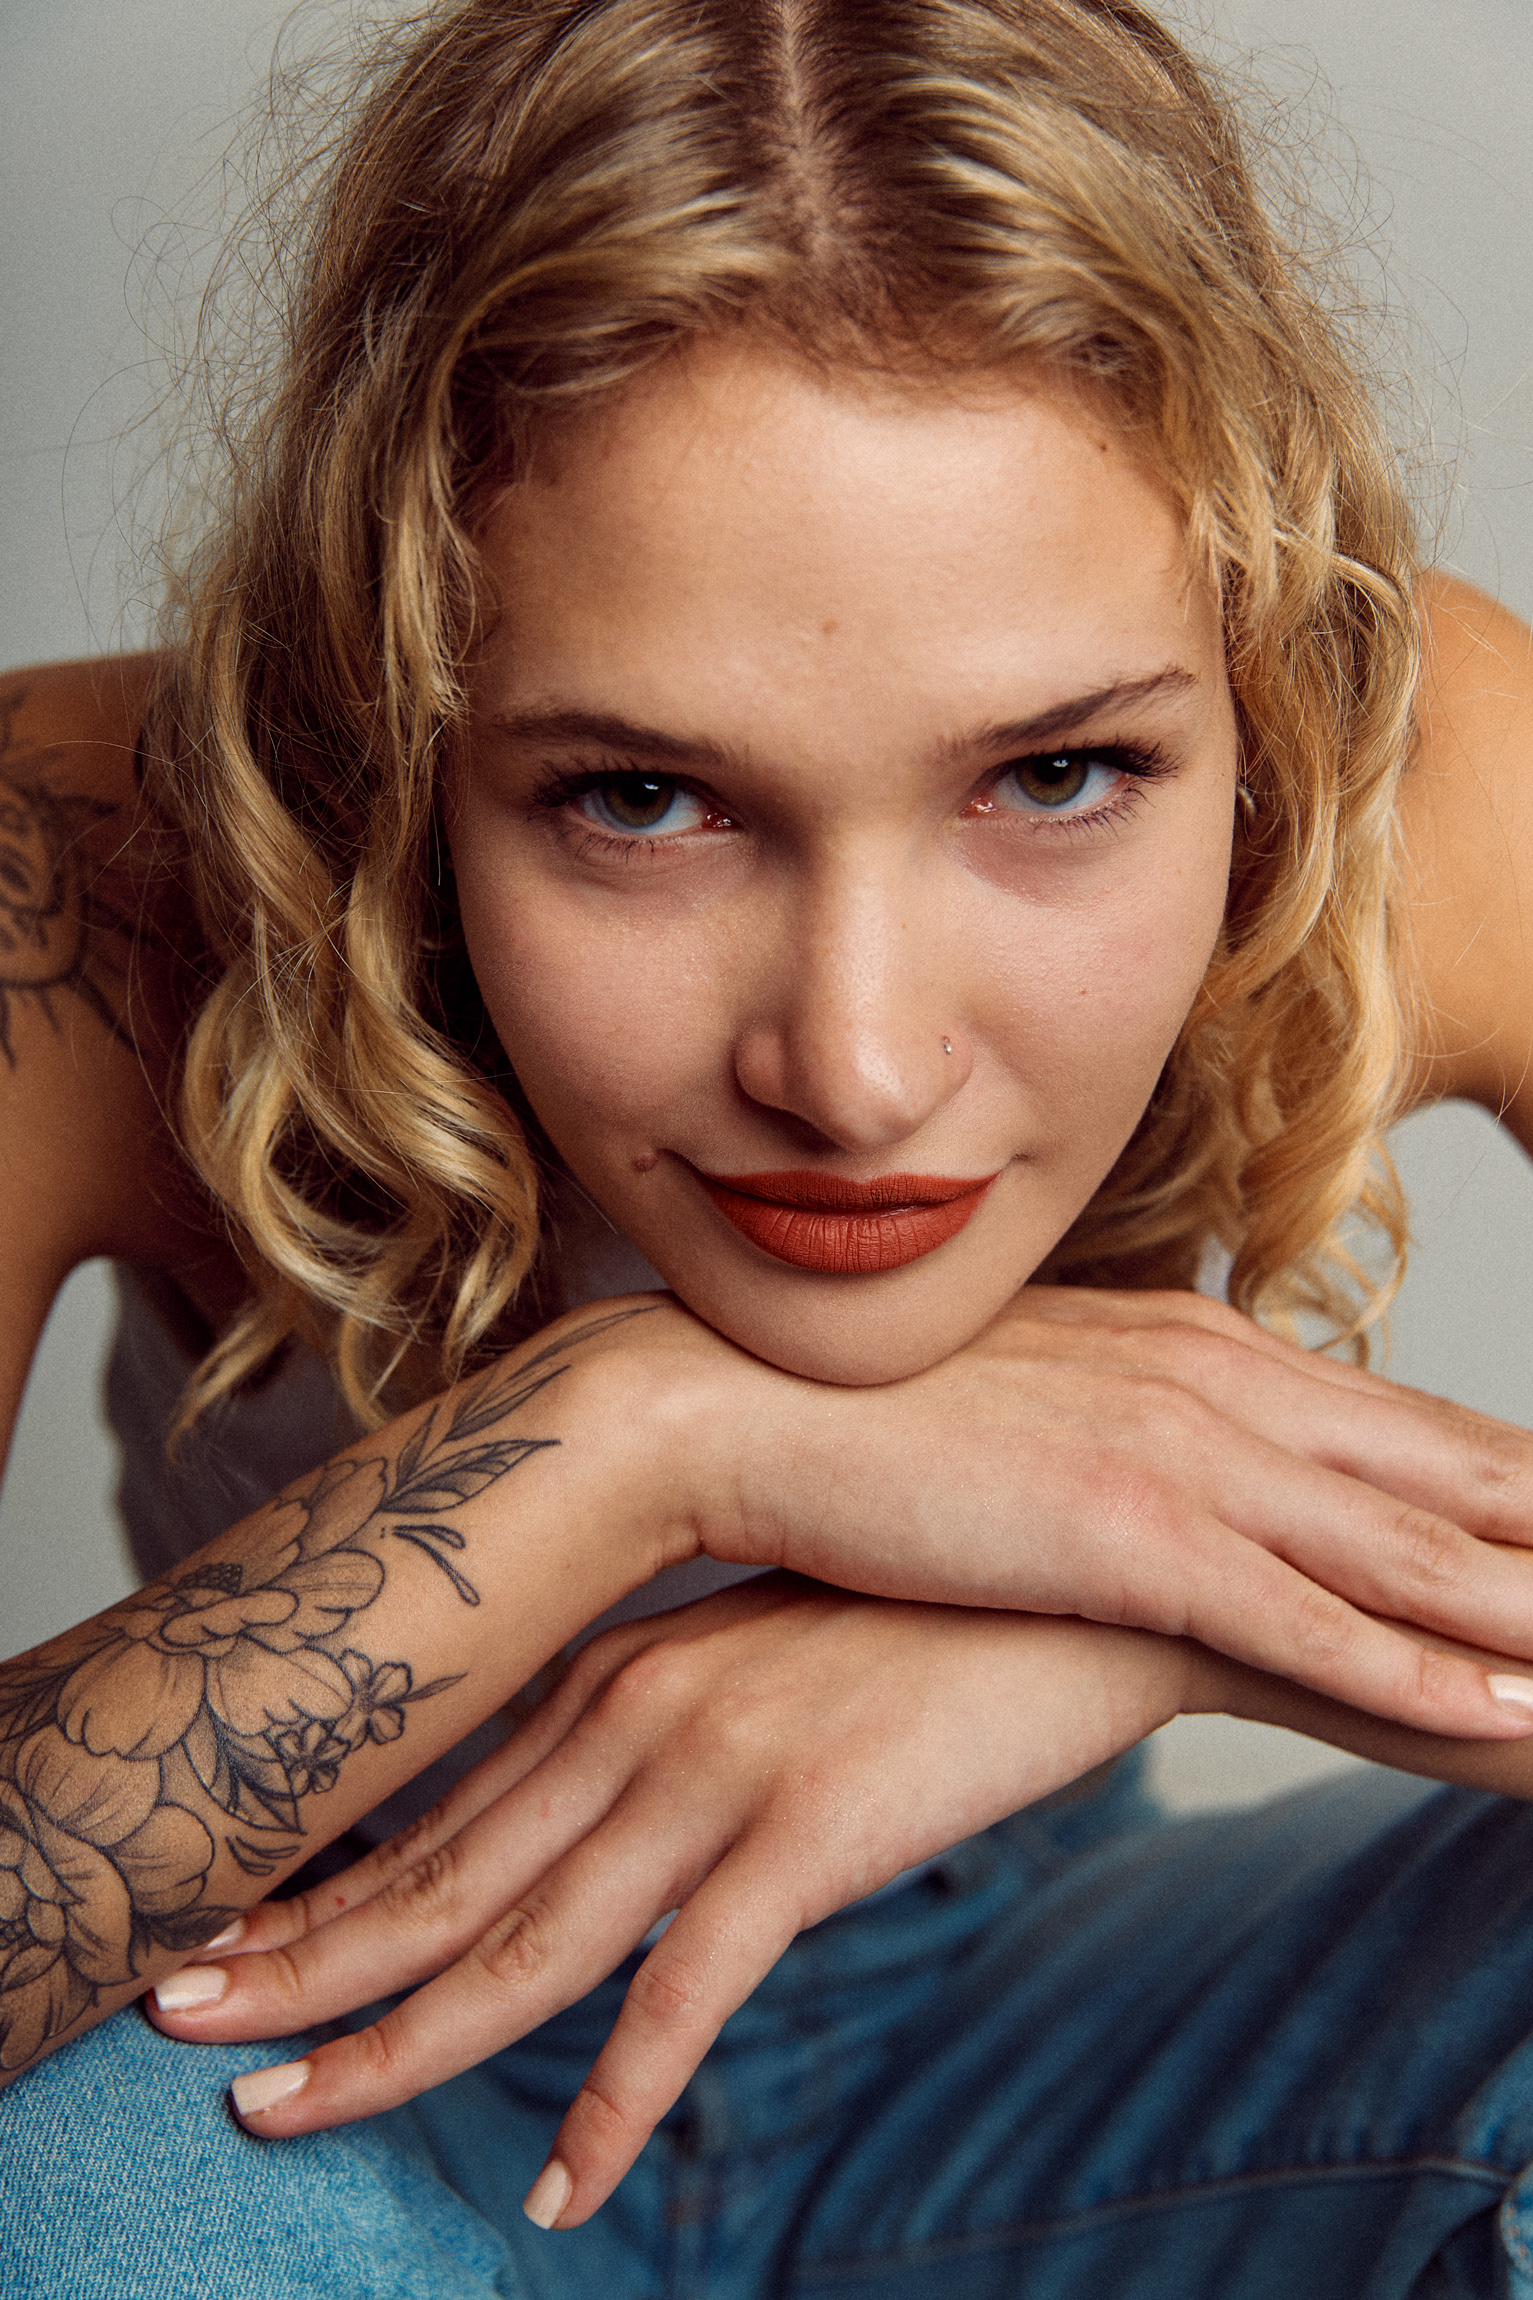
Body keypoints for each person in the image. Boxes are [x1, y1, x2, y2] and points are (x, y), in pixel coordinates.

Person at [3, 0, 1533, 2291]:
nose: (856, 1068)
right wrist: (637, 1443)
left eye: (1054, 777)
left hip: (1047, 2041)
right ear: (385, 713)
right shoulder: (90, 872)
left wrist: (1141, 1644)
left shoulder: (1409, 783)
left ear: (1253, 696)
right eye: (637, 798)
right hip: (319, 2066)